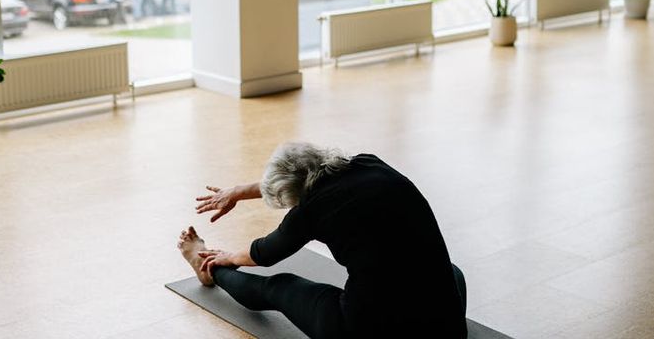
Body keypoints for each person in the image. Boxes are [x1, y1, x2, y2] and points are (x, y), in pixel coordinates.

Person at [178, 143, 467, 339]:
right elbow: (297, 178)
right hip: (448, 326)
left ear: (291, 198)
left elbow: (263, 253)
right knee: (445, 269)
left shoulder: (311, 210)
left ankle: (210, 270)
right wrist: (240, 191)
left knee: (279, 287)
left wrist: (227, 257)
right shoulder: (367, 163)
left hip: (370, 331)